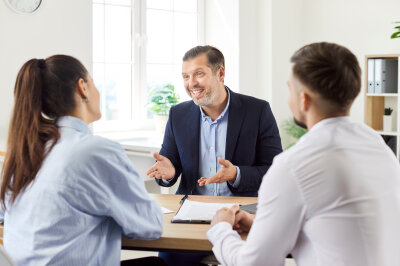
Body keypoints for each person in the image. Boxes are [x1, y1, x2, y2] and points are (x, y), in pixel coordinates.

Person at [207, 42, 400, 266]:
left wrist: (220, 228)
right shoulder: (377, 145)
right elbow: (336, 219)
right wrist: (262, 222)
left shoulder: (294, 165)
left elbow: (254, 263)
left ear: (304, 99)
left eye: (290, 88)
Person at [0, 55, 166, 266]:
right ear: (82, 87)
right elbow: (150, 225)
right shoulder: (95, 151)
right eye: (93, 82)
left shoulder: (25, 153)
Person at [147, 45, 282, 197]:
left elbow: (274, 170)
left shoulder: (257, 111)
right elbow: (167, 165)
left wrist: (236, 174)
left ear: (220, 73)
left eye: (199, 74)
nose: (191, 83)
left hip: (240, 210)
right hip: (192, 210)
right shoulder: (178, 115)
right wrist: (169, 173)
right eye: (186, 76)